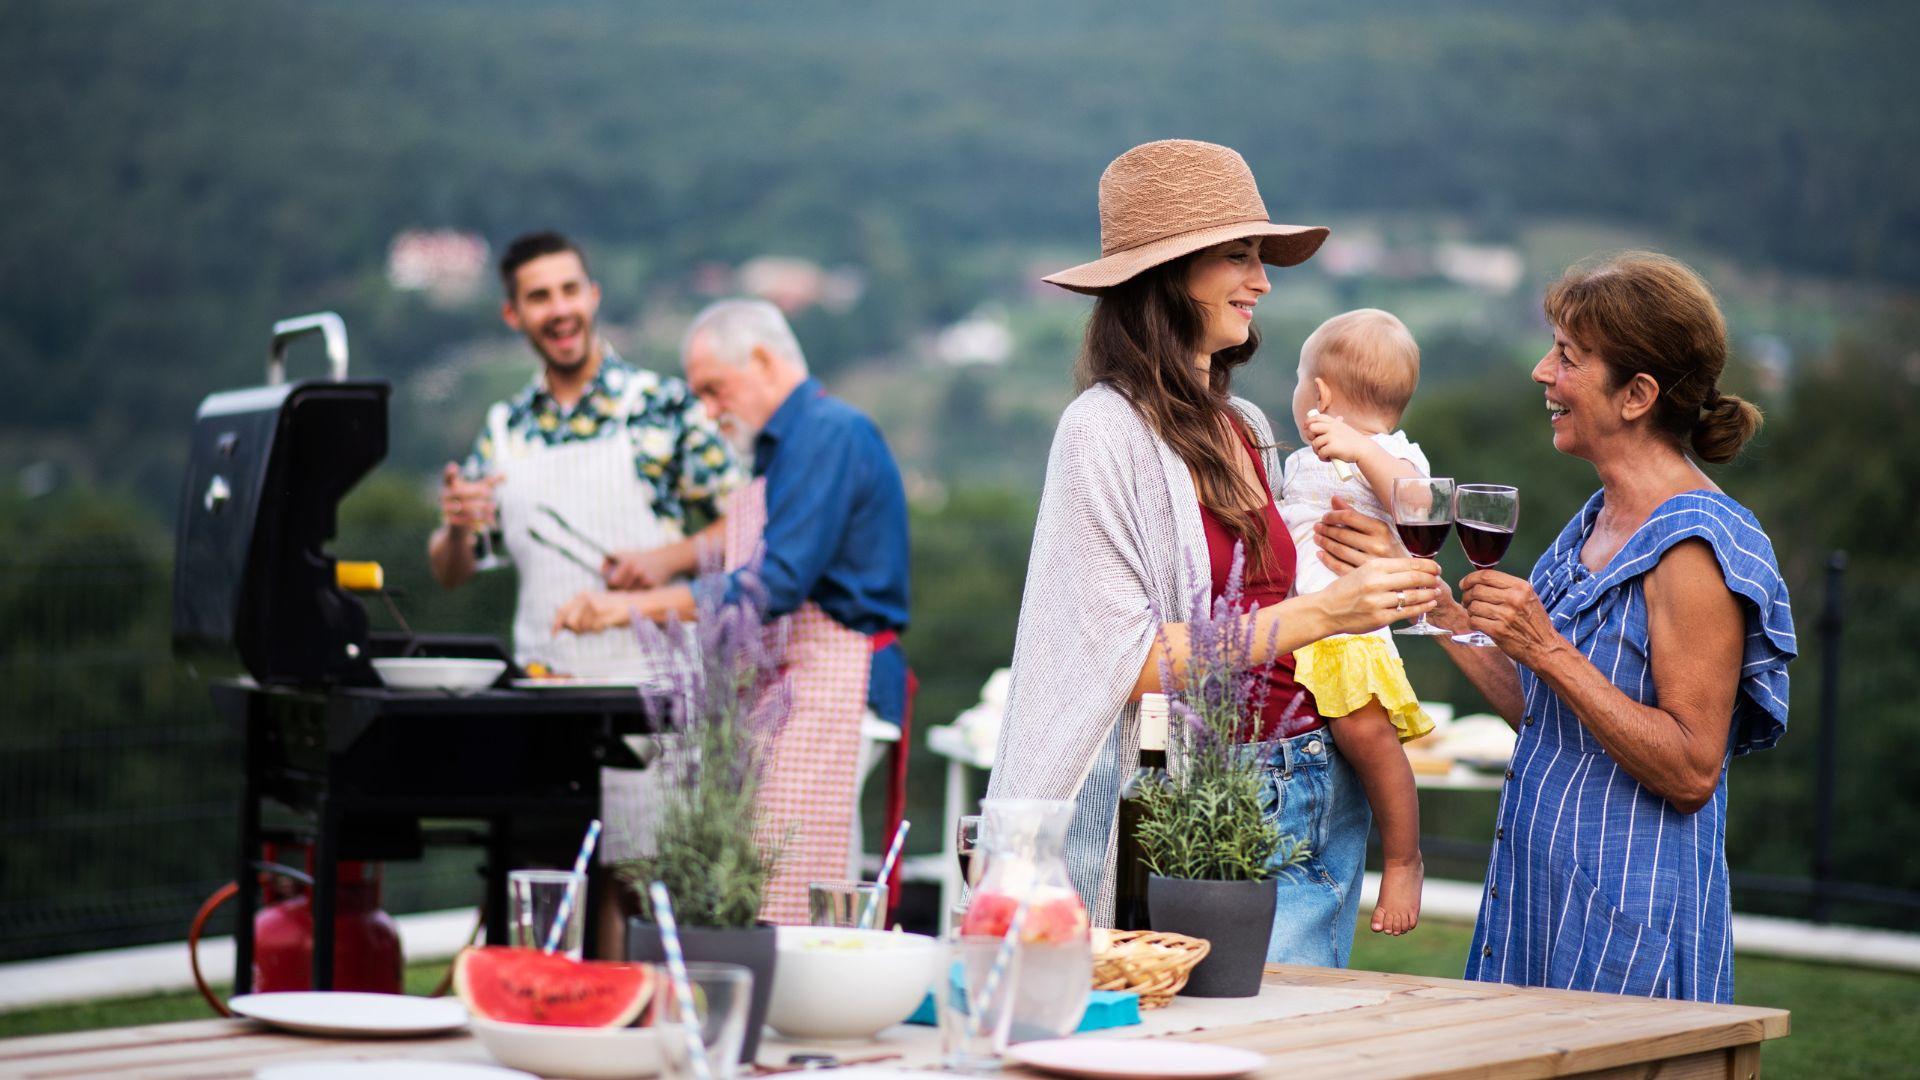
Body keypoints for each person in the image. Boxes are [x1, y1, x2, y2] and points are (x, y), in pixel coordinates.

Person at [983, 139, 1443, 967]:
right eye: (1239, 256)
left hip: (1314, 779)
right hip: (1210, 799)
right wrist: (1327, 612)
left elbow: (1295, 576)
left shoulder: (1250, 426)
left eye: (1261, 258)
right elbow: (1127, 664)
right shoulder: (1102, 431)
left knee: (1295, 1048)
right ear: (1169, 274)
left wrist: (1369, 563)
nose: (1262, 281)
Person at [1426, 252, 1794, 1002]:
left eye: (1567, 356)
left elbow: (1693, 770)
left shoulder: (1693, 545)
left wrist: (1548, 650)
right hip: (1537, 903)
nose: (1541, 373)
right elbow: (1548, 713)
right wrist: (1436, 611)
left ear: (1637, 395)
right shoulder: (1597, 518)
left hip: (1627, 929)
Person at [552, 299, 913, 925]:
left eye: (715, 390)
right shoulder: (788, 445)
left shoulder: (829, 433)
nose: (710, 411)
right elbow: (754, 547)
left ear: (766, 361)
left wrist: (628, 610)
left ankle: (800, 1007)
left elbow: (774, 584)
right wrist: (667, 559)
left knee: (788, 871)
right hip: (792, 682)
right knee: (789, 865)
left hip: (836, 680)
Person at [428, 231, 742, 679]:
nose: (559, 310)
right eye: (539, 297)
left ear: (593, 296)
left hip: (657, 693)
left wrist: (667, 559)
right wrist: (456, 530)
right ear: (512, 314)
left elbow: (750, 522)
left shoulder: (663, 405)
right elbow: (451, 572)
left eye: (569, 291)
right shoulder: (505, 429)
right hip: (543, 686)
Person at [1281, 309, 1437, 937]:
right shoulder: (1299, 461)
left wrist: (1363, 449)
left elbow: (1423, 505)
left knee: (1368, 739)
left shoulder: (1395, 454)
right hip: (1301, 629)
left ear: (1318, 393)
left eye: (1298, 380)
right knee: (1344, 738)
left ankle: (1403, 859)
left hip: (1348, 635)